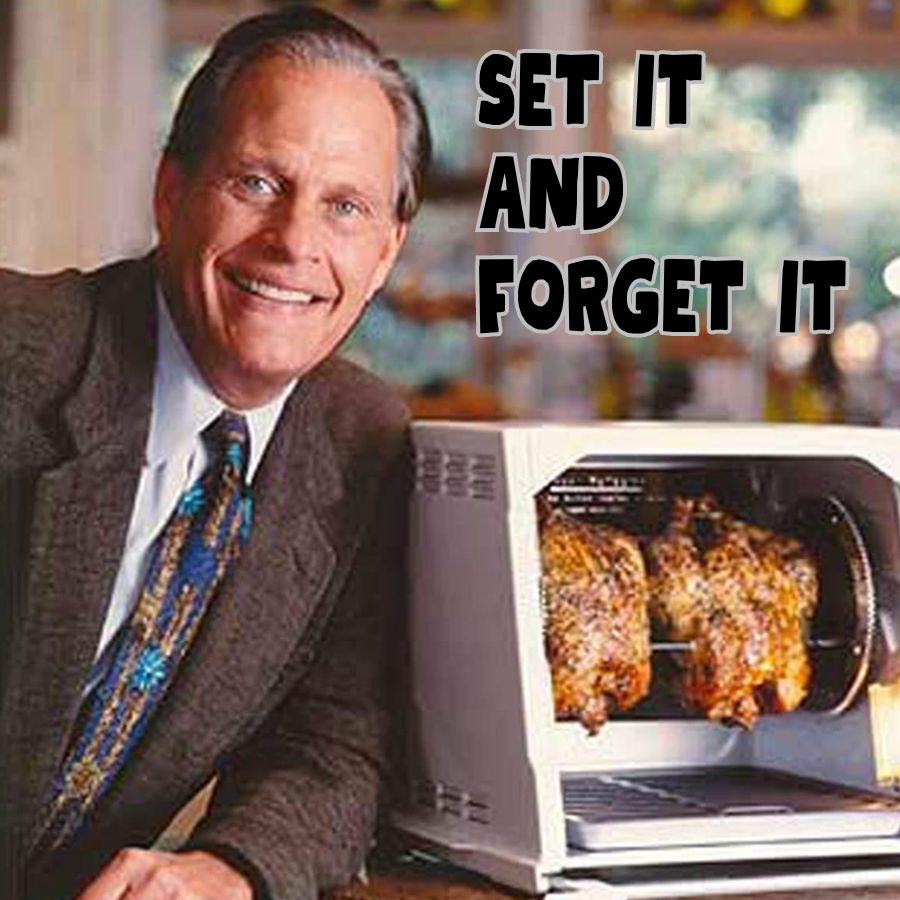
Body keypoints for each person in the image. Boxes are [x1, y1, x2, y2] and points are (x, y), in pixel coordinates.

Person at [0, 6, 430, 899]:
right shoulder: (16, 354)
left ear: (388, 250)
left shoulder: (365, 443)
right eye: (257, 184)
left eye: (344, 206)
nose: (296, 243)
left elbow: (332, 743)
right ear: (170, 192)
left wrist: (227, 870)